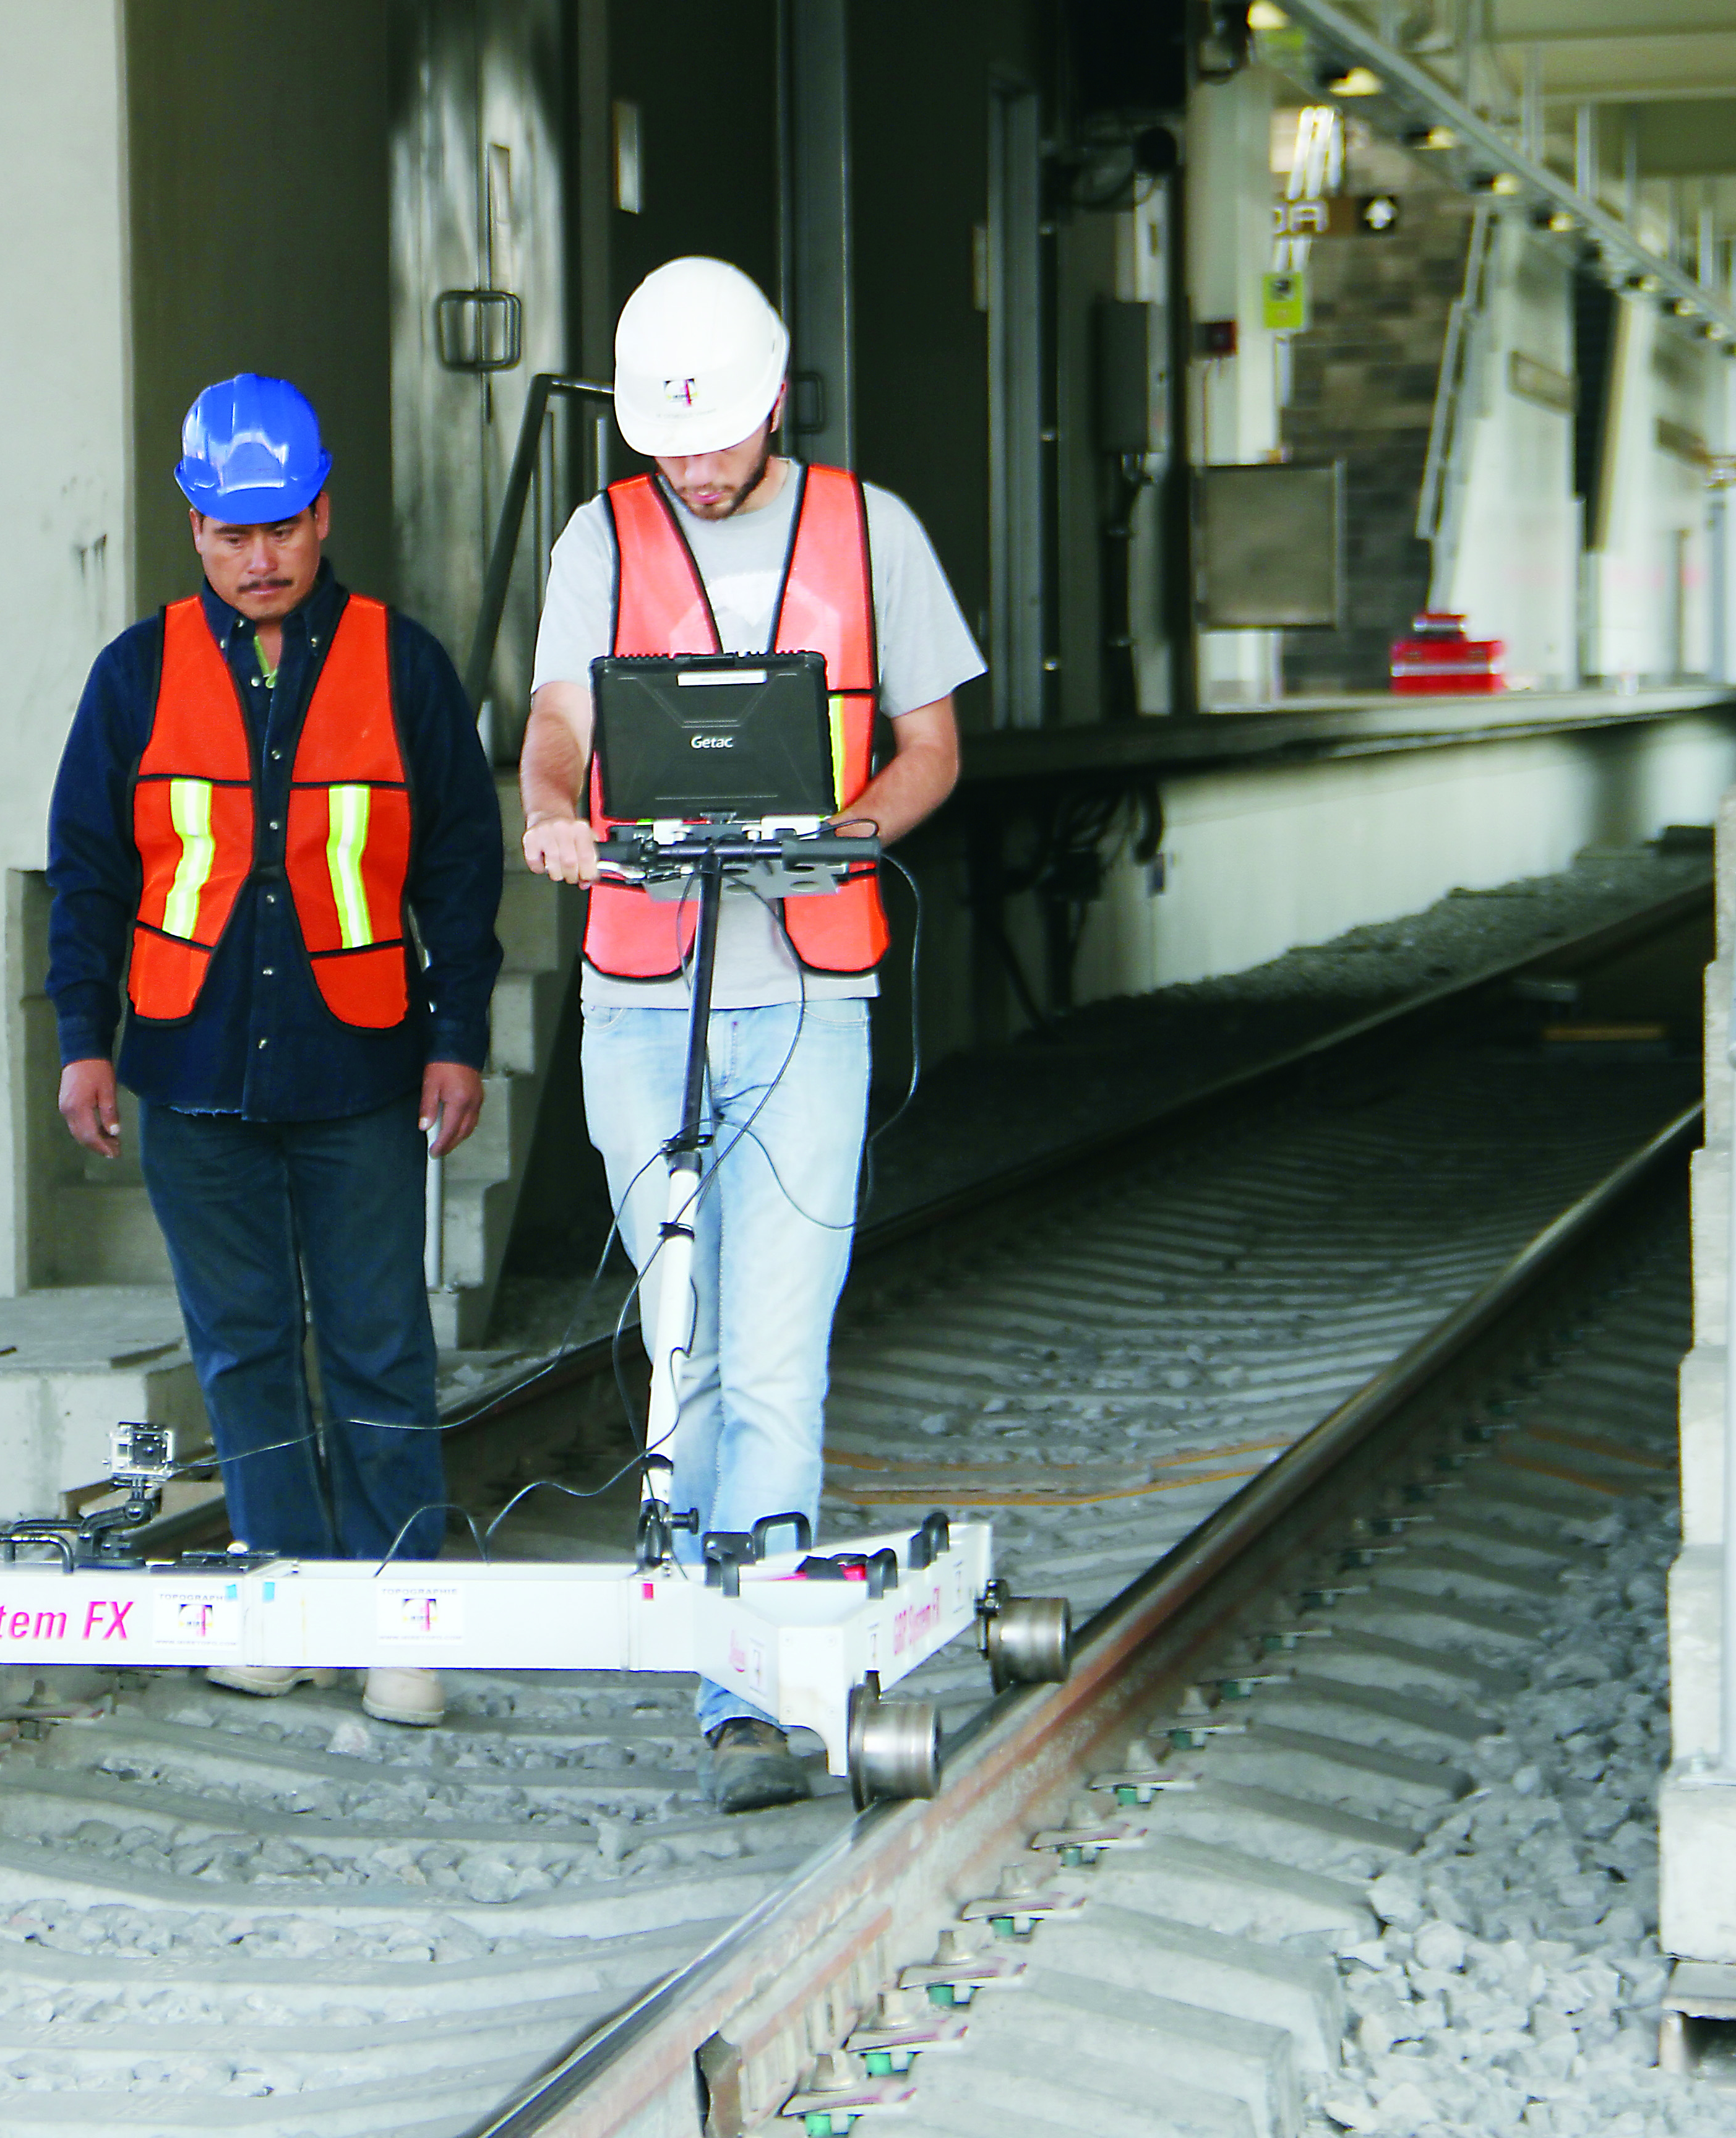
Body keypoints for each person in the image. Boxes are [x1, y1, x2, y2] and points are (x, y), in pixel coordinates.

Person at [516, 260, 981, 1813]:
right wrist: (548, 812)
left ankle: (750, 1694)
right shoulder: (602, 534)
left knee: (775, 1350)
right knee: (689, 1343)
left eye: (715, 442)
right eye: (670, 448)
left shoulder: (873, 532)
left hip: (808, 991)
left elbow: (933, 745)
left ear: (775, 401)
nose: (695, 472)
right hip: (644, 991)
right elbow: (561, 723)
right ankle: (736, 1654)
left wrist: (855, 827)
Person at [45, 374, 502, 1728]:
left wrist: (460, 1035)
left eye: (285, 529)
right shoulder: (132, 676)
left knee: (376, 1341)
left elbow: (464, 868)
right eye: (233, 533)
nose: (262, 558)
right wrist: (84, 1040)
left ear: (323, 515)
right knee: (241, 1345)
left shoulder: (401, 663)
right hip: (190, 1069)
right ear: (193, 526)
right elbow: (87, 871)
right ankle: (286, 1603)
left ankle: (398, 1621)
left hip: (363, 1065)